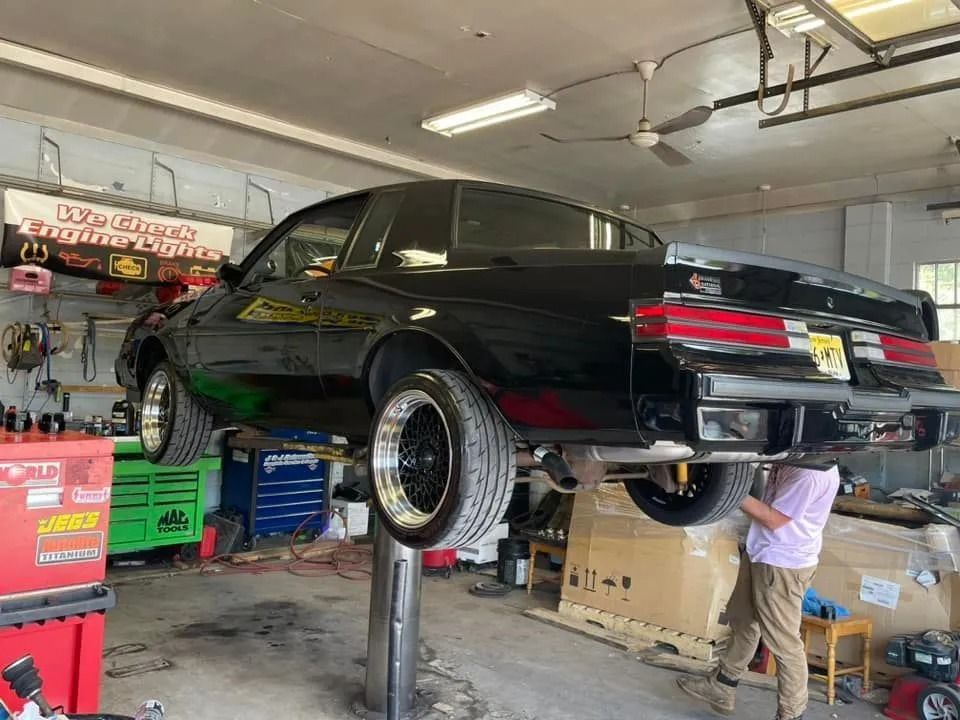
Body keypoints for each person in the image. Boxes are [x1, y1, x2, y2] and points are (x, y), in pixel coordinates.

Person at [677, 463, 840, 720]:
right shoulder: (798, 459)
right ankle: (722, 686)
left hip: (782, 564)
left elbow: (774, 519)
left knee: (784, 642)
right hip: (762, 551)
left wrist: (727, 490)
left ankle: (791, 713)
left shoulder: (809, 474)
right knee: (744, 622)